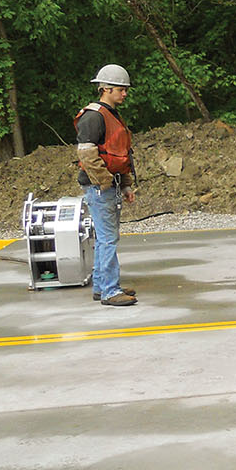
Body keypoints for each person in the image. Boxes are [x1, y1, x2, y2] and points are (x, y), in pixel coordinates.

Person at [75, 63, 139, 307]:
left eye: (125, 90)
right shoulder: (94, 116)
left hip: (108, 185)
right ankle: (110, 291)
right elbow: (87, 154)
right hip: (99, 187)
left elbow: (120, 154)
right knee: (108, 238)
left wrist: (124, 186)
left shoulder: (110, 115)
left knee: (105, 238)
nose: (125, 94)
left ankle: (103, 286)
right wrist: (104, 183)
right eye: (121, 89)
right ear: (106, 89)